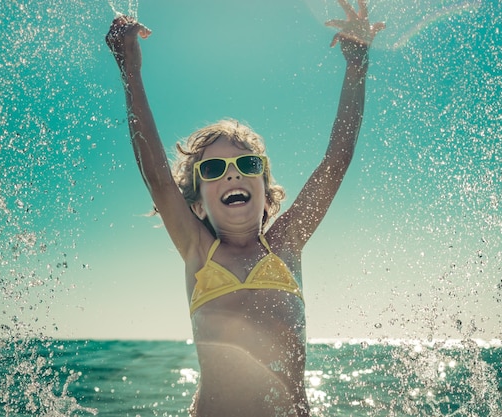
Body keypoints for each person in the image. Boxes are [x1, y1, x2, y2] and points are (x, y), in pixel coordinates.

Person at [106, 1, 384, 416]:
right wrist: (130, 72)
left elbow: (336, 160)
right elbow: (158, 178)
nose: (232, 175)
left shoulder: (286, 245)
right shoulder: (199, 252)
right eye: (214, 169)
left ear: (266, 189)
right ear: (198, 203)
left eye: (247, 165)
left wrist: (357, 64)